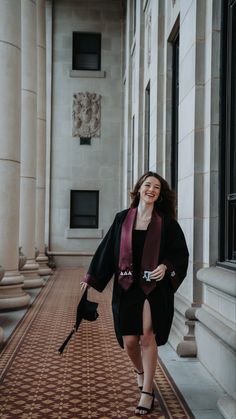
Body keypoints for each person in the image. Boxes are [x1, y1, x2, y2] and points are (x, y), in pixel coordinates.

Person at [81, 171, 189, 415]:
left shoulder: (167, 223)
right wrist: (91, 278)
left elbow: (180, 254)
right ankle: (140, 372)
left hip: (153, 288)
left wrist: (166, 266)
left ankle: (148, 390)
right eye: (148, 185)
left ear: (160, 195)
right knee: (130, 341)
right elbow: (107, 250)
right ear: (139, 188)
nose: (151, 190)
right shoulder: (122, 219)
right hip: (127, 286)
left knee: (147, 336)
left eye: (157, 188)